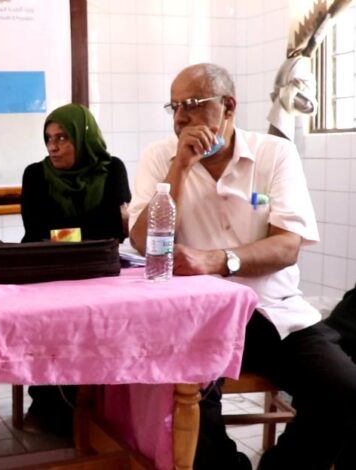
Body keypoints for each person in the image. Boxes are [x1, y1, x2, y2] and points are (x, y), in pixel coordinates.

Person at [128, 63, 356, 470]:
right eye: (174, 107)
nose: (180, 118)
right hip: (197, 319)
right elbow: (144, 242)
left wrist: (217, 260)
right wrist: (179, 168)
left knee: (343, 388)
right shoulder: (159, 157)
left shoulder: (274, 154)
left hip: (271, 311)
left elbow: (288, 245)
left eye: (192, 104)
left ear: (228, 106)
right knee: (185, 408)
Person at [20, 103, 130, 437]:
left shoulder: (113, 169)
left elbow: (115, 230)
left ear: (83, 137)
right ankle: (48, 407)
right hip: (48, 273)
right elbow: (37, 230)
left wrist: (66, 233)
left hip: (100, 275)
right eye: (49, 139)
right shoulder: (35, 174)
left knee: (106, 323)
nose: (53, 147)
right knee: (51, 323)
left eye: (62, 138)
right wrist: (86, 233)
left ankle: (101, 408)